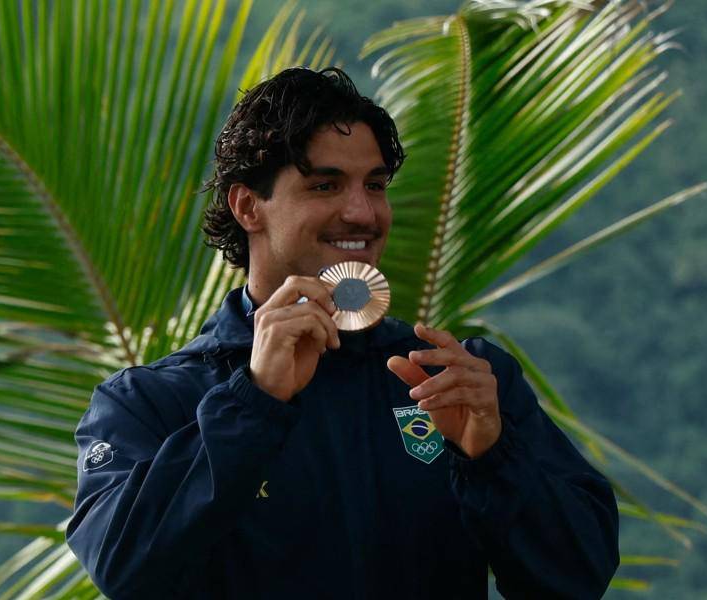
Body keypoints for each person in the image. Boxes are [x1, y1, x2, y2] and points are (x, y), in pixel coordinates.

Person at [66, 66, 619, 599]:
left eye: (375, 185)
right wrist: (255, 401)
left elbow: (578, 577)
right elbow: (123, 568)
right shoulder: (148, 402)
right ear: (247, 206)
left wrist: (493, 457)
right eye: (325, 185)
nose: (362, 212)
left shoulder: (459, 379)